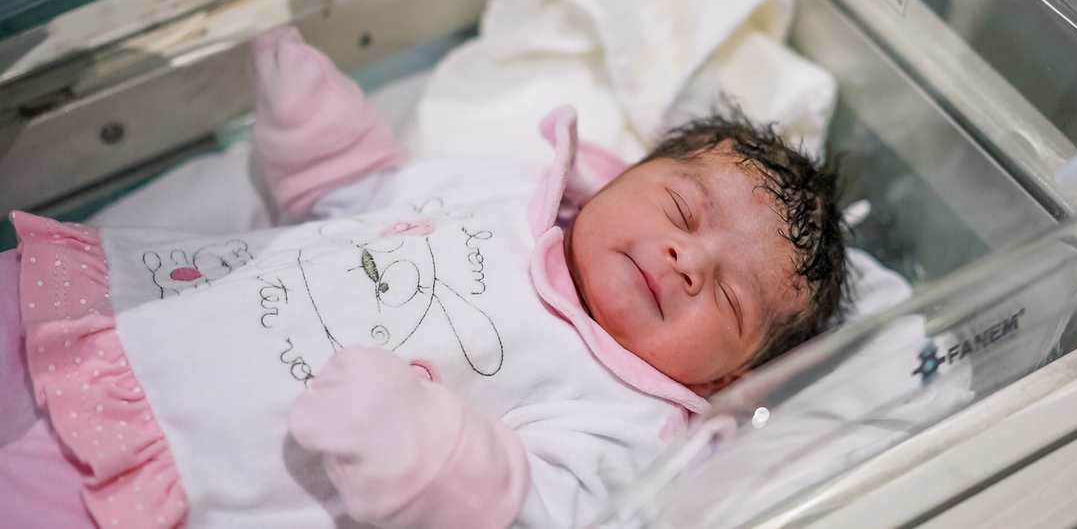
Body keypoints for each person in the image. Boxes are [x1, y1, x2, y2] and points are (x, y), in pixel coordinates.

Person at [1, 27, 845, 529]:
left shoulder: (631, 419)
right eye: (682, 211)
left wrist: (427, 453)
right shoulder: (514, 191)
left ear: (726, 378)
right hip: (133, 320)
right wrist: (323, 140)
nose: (687, 259)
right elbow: (375, 202)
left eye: (728, 296)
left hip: (192, 463)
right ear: (619, 177)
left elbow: (532, 507)